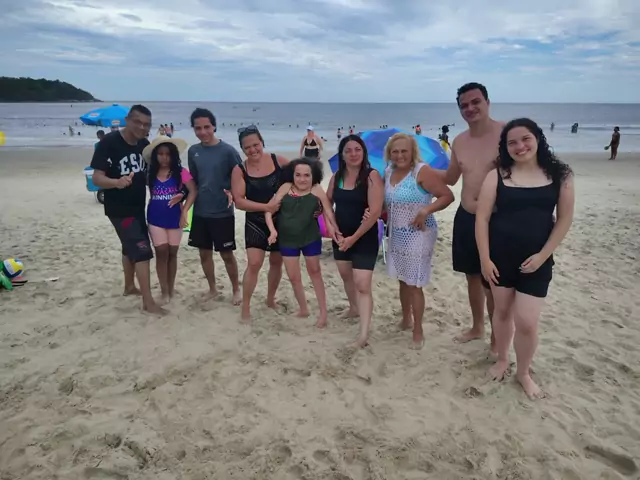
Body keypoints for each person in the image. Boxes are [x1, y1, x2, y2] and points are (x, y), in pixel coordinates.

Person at [475, 118, 574, 398]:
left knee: (528, 322)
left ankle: (523, 372)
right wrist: (485, 259)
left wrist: (543, 255)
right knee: (502, 312)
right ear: (505, 147)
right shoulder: (497, 175)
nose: (520, 146)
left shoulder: (561, 174)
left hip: (537, 260)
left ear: (538, 138)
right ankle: (503, 360)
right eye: (512, 142)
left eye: (525, 139)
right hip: (499, 258)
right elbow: (482, 219)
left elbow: (564, 219)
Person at [441, 82, 504, 351]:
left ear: (487, 102)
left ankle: (497, 336)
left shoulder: (507, 134)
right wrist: (415, 169)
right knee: (472, 277)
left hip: (497, 221)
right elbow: (450, 178)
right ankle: (478, 327)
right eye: (464, 105)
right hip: (466, 216)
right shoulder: (459, 141)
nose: (470, 108)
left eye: (475, 102)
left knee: (494, 282)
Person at [90, 104, 165, 314]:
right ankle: (148, 302)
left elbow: (151, 173)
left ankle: (129, 286)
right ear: (127, 120)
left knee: (128, 247)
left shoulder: (144, 145)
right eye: (138, 122)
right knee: (142, 251)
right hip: (119, 209)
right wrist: (116, 182)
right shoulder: (109, 143)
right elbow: (97, 177)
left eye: (147, 124)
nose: (142, 127)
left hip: (138, 206)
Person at [384, 133, 455, 348]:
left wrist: (426, 210)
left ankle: (418, 330)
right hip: (396, 233)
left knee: (414, 283)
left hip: (419, 233)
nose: (400, 155)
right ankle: (406, 319)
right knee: (402, 278)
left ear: (413, 151)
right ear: (389, 154)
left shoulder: (421, 171)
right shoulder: (388, 172)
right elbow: (387, 203)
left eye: (404, 151)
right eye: (395, 151)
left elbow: (447, 196)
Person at [265, 158, 338, 328]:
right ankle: (303, 309)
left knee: (315, 272)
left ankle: (323, 314)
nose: (302, 179)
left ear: (313, 176)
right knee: (294, 277)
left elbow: (329, 212)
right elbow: (268, 211)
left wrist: (334, 229)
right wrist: (272, 231)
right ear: (292, 175)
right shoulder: (285, 187)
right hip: (287, 240)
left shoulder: (317, 189)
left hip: (310, 237)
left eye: (306, 175)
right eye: (298, 175)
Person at [327, 135, 384, 347]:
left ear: (363, 152)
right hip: (341, 236)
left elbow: (375, 211)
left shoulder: (371, 176)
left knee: (362, 284)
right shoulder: (337, 176)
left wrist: (353, 238)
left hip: (363, 237)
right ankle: (353, 308)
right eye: (348, 150)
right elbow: (327, 202)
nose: (353, 154)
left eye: (357, 149)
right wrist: (332, 227)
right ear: (342, 155)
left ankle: (363, 336)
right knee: (346, 276)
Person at [230, 125, 289, 321]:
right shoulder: (240, 170)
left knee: (276, 262)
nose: (252, 150)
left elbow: (301, 178)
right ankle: (246, 307)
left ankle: (270, 299)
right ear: (242, 149)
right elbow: (239, 202)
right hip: (255, 221)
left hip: (280, 220)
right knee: (254, 263)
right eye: (247, 147)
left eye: (255, 145)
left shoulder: (279, 161)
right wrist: (266, 207)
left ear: (262, 142)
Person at [187, 108, 242, 304]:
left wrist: (233, 191)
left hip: (222, 211)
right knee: (204, 254)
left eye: (207, 127)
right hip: (201, 211)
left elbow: (241, 177)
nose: (203, 132)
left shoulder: (228, 151)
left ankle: (236, 289)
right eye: (198, 128)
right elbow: (193, 181)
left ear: (214, 126)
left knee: (227, 254)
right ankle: (212, 289)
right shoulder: (193, 151)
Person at [143, 136, 197, 303]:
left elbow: (193, 191)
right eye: (160, 154)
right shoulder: (150, 173)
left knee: (172, 254)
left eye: (168, 154)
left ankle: (171, 288)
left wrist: (184, 210)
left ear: (173, 155)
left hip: (175, 219)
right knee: (161, 253)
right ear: (155, 155)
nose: (164, 158)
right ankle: (164, 291)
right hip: (155, 218)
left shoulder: (181, 172)